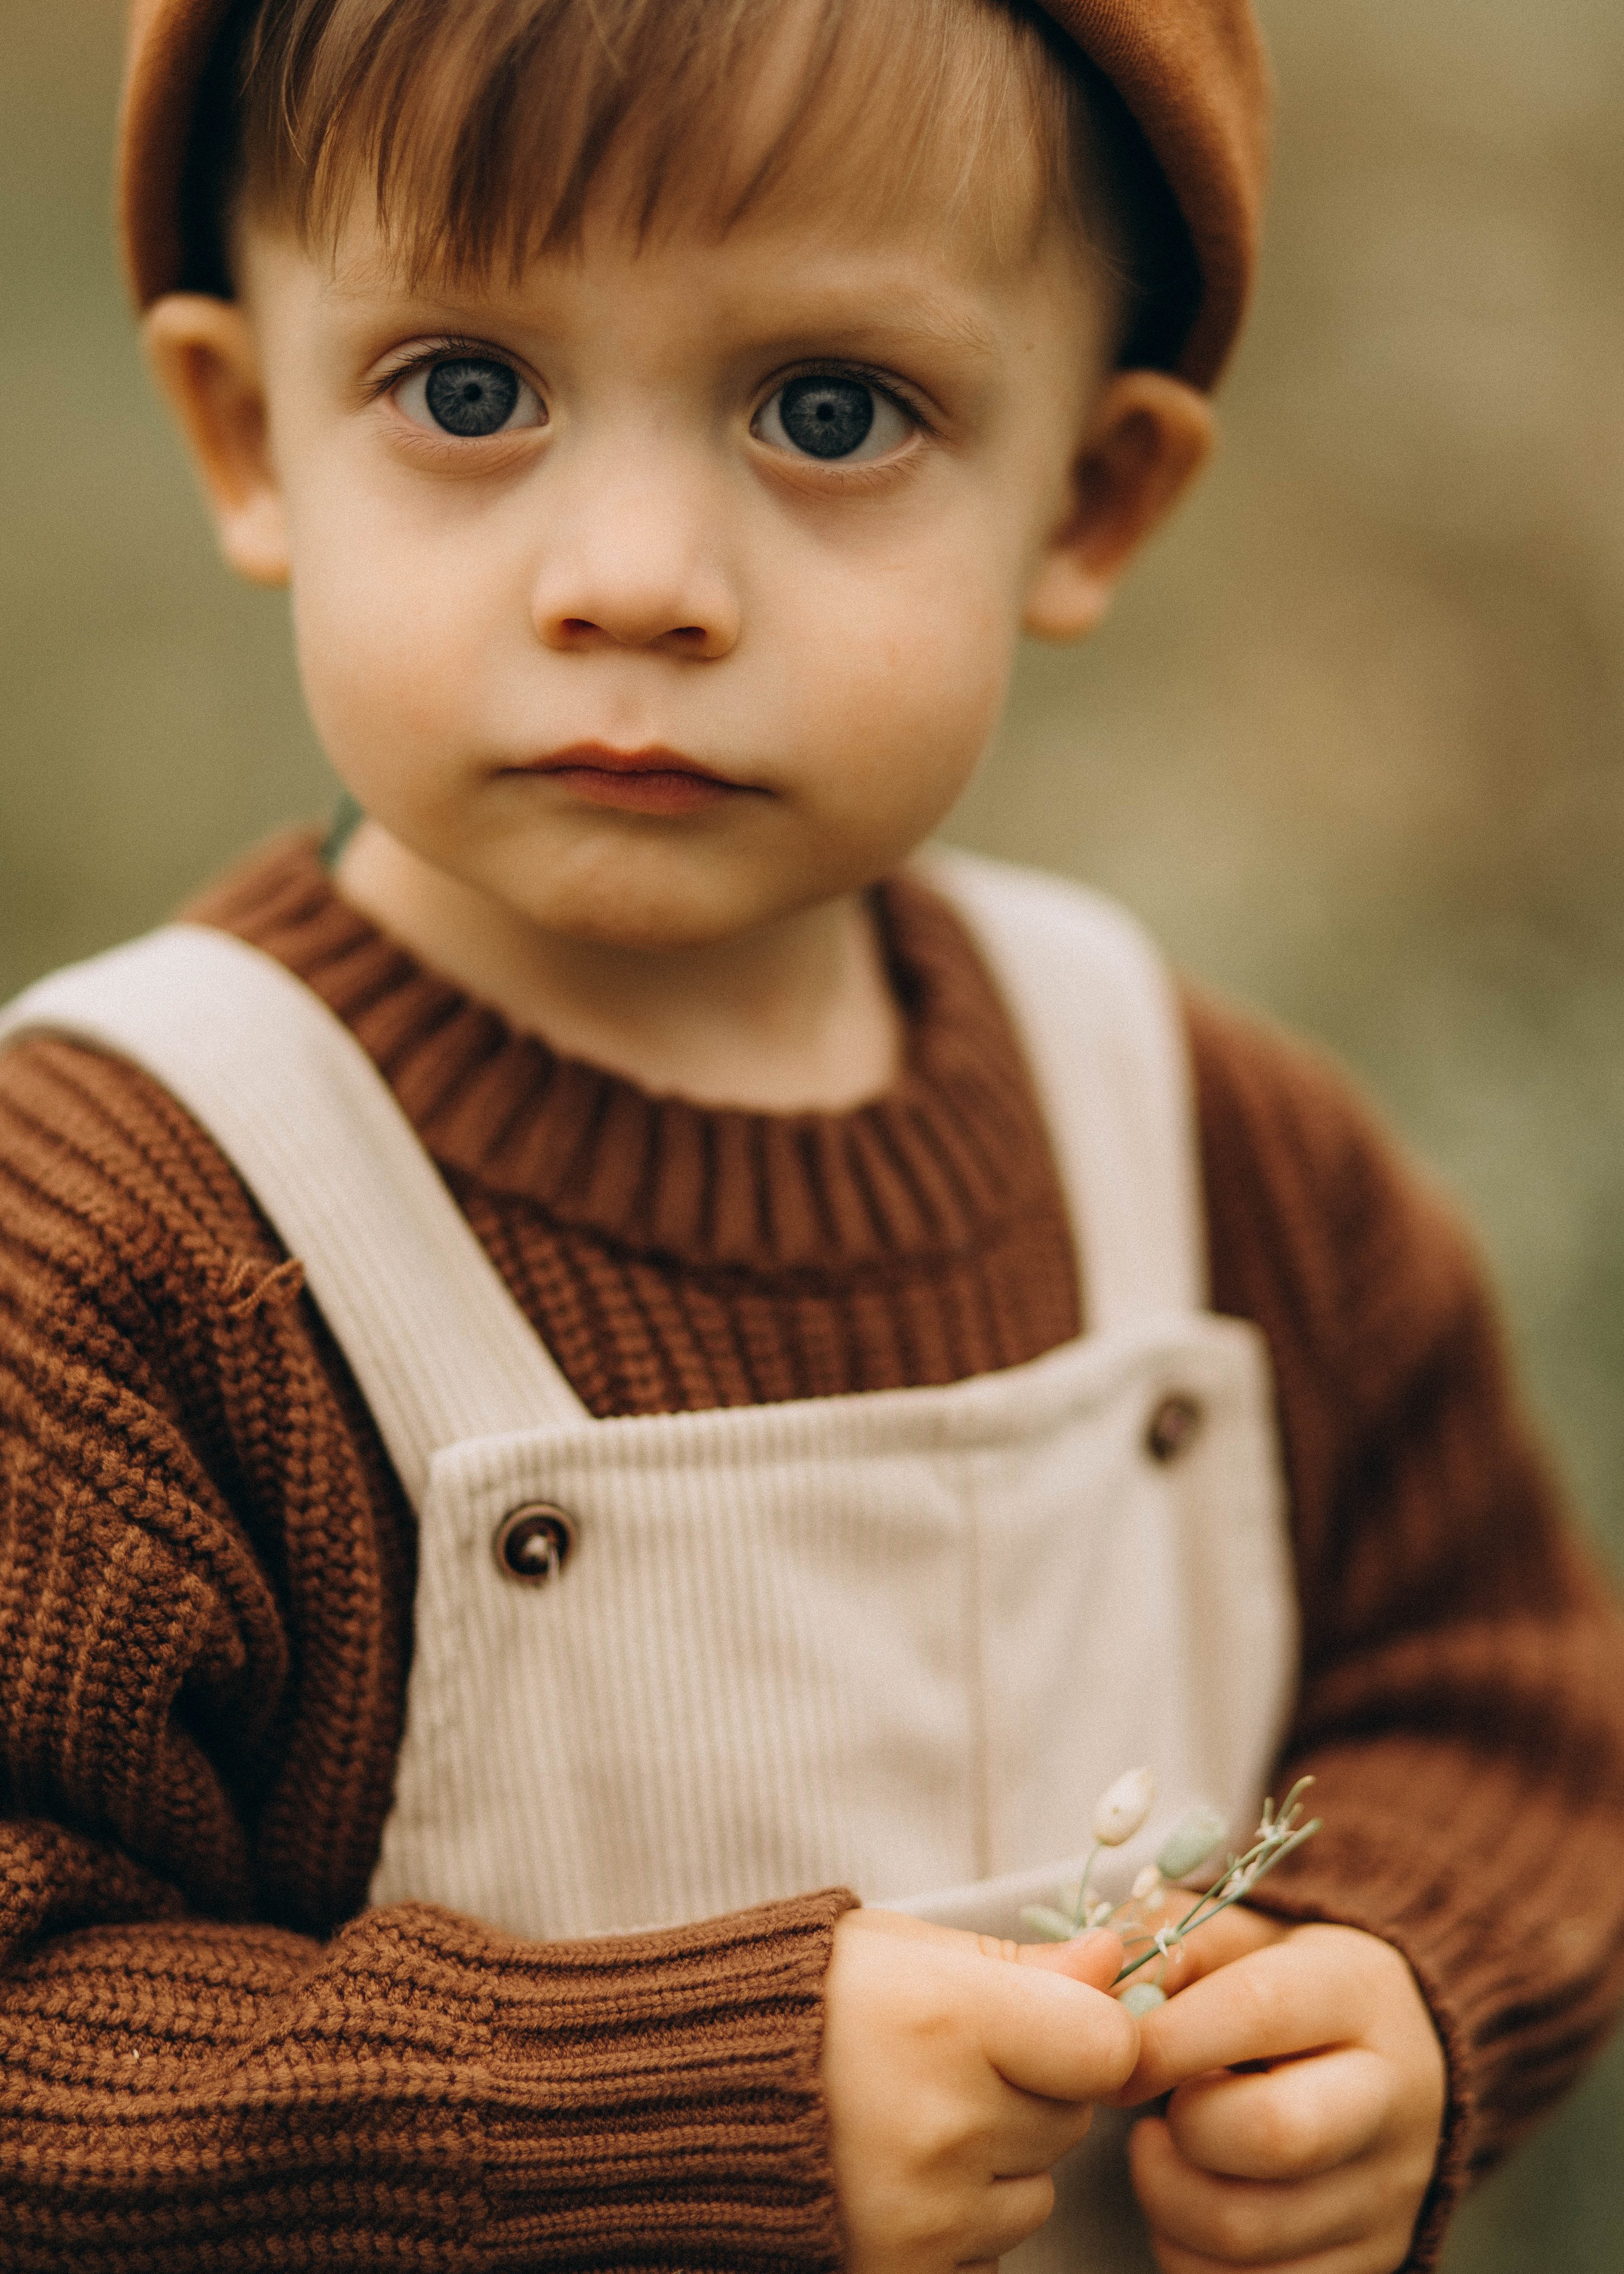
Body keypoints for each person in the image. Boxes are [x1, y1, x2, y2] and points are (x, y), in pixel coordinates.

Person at [1, 0, 1621, 2268]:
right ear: (242, 426)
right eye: (469, 389)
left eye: (831, 411)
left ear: (1090, 496)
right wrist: (667, 2110)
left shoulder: (1199, 1143)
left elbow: (1498, 1695)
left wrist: (1400, 1983)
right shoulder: (126, 1233)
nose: (640, 573)